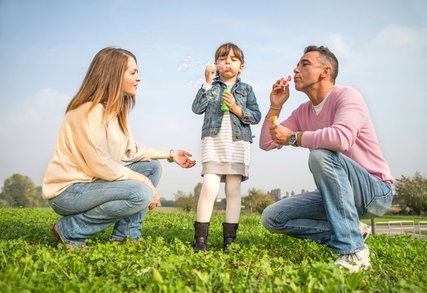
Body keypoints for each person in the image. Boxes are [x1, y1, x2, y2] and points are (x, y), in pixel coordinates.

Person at [42, 47, 196, 249]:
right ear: (113, 75)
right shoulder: (88, 111)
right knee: (141, 192)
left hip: (92, 184)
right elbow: (100, 166)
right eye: (133, 72)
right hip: (69, 192)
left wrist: (170, 154)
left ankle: (125, 236)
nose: (139, 78)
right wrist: (145, 183)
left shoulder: (113, 112)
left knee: (152, 168)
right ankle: (70, 229)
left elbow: (131, 151)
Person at [259, 45, 394, 272]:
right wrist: (275, 107)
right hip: (337, 194)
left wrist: (294, 137)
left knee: (321, 155)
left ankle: (352, 251)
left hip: (374, 191)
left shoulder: (347, 96)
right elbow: (267, 142)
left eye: (304, 64)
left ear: (325, 71)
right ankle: (353, 231)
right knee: (273, 218)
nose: (296, 69)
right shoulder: (303, 111)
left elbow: (341, 139)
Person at [192, 42, 261, 252]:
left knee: (233, 190)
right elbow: (197, 108)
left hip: (238, 143)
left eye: (233, 59)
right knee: (209, 188)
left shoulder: (246, 89)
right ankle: (200, 241)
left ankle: (229, 241)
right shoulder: (212, 87)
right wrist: (206, 83)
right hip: (213, 142)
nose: (227, 63)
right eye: (222, 59)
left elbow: (255, 115)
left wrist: (237, 109)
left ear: (241, 66)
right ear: (215, 64)